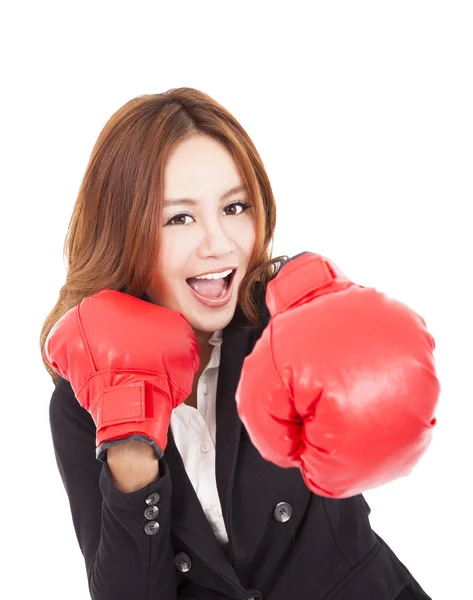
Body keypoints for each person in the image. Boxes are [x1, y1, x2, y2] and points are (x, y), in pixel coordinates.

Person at [40, 88, 439, 599]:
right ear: (124, 233)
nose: (220, 243)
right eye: (179, 218)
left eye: (235, 206)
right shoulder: (80, 401)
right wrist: (131, 443)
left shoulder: (291, 322)